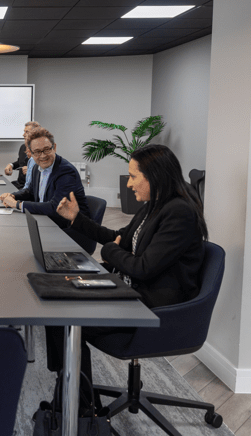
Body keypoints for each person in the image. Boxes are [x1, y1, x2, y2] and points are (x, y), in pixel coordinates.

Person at [46, 143, 208, 410]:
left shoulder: (179, 212)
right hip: (131, 289)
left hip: (153, 306)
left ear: (154, 176)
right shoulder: (155, 204)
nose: (129, 184)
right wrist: (77, 219)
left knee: (66, 321)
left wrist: (110, 251)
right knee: (57, 304)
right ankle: (70, 390)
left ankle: (80, 407)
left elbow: (142, 267)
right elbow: (119, 240)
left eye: (134, 176)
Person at [0, 127, 91, 230]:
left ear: (54, 147)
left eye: (46, 149)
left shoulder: (66, 171)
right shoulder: (36, 167)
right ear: (31, 153)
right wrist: (13, 195)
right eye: (37, 152)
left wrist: (18, 204)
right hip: (46, 221)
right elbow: (31, 191)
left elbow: (55, 207)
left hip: (69, 230)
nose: (43, 156)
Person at [4, 121, 39, 188]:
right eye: (24, 131)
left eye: (27, 132)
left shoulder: (40, 150)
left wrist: (31, 171)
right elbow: (20, 162)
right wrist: (11, 165)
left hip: (30, 187)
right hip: (19, 184)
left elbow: (44, 170)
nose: (23, 135)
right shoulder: (23, 147)